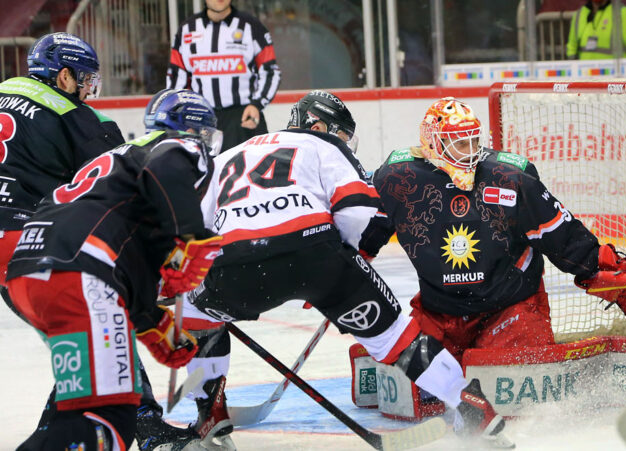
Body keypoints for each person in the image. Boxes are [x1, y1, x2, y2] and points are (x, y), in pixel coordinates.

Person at [170, 91, 514, 448]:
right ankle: (470, 406)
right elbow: (359, 212)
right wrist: (345, 266)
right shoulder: (322, 145)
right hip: (315, 254)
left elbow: (191, 228)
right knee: (395, 337)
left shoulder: (226, 156)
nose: (344, 143)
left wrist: (177, 286)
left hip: (233, 266)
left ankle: (210, 414)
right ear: (317, 125)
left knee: (194, 317)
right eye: (342, 135)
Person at [364, 97, 626, 365]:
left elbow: (561, 234)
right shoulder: (396, 179)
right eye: (461, 143)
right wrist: (345, 268)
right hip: (441, 312)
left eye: (475, 141)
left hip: (510, 308)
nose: (471, 151)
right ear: (433, 142)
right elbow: (368, 230)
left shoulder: (508, 176)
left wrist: (603, 268)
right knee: (422, 393)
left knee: (508, 383)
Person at [5, 89, 225, 451]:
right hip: (80, 275)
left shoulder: (120, 160)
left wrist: (148, 317)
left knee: (76, 409)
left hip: (33, 273)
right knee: (111, 416)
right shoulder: (177, 146)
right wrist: (191, 236)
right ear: (194, 130)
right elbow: (167, 167)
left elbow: (129, 250)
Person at [0, 32, 124, 291]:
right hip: (23, 239)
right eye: (86, 79)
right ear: (65, 76)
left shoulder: (4, 88)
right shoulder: (83, 119)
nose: (88, 90)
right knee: (74, 321)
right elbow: (120, 186)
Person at [166, 0, 281, 151]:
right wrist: (181, 115)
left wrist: (257, 104)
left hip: (244, 116)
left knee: (250, 176)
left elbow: (270, 71)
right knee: (205, 176)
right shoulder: (187, 30)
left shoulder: (251, 27)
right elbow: (176, 79)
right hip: (202, 119)